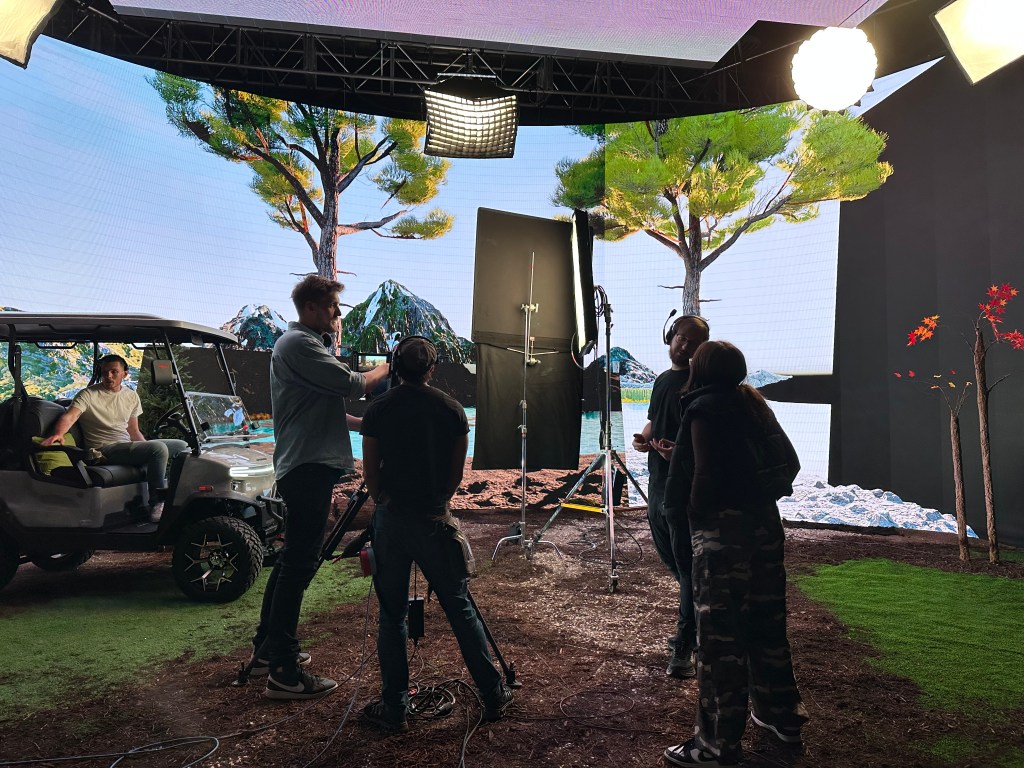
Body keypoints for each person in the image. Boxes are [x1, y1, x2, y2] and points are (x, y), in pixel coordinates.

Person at [662, 341, 806, 767]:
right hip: (765, 529)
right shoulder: (753, 405)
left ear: (700, 370)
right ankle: (782, 716)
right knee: (767, 624)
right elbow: (790, 463)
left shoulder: (703, 408)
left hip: (722, 538)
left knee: (720, 640)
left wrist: (695, 514)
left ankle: (715, 745)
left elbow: (706, 475)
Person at [359, 336, 513, 732]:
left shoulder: (379, 409)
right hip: (434, 520)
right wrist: (436, 502)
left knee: (392, 616)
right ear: (432, 369)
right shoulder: (452, 410)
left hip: (392, 522)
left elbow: (371, 472)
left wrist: (385, 501)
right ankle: (493, 694)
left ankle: (395, 708)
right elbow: (456, 474)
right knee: (460, 608)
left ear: (395, 366)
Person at [252, 274, 390, 701]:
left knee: (292, 559)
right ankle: (284, 672)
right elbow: (353, 384)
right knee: (299, 562)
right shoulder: (299, 344)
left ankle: (268, 650)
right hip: (307, 466)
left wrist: (367, 425)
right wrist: (391, 363)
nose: (337, 313)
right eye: (332, 306)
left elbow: (325, 409)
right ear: (311, 307)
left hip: (306, 463)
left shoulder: (300, 347)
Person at [631, 314, 709, 678]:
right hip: (658, 481)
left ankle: (684, 646)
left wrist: (678, 454)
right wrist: (645, 438)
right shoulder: (662, 380)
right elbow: (655, 419)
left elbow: (704, 440)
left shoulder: (700, 384)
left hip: (683, 485)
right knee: (676, 564)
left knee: (686, 567)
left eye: (694, 341)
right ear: (670, 336)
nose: (685, 345)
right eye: (681, 337)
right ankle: (701, 620)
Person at [40, 354, 188, 521]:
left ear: (125, 374)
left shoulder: (131, 396)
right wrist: (58, 434)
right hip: (103, 450)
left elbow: (133, 430)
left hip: (124, 445)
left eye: (114, 372)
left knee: (181, 446)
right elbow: (70, 416)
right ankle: (158, 503)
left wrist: (147, 450)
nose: (108, 376)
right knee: (158, 449)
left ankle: (175, 497)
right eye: (105, 372)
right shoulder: (88, 394)